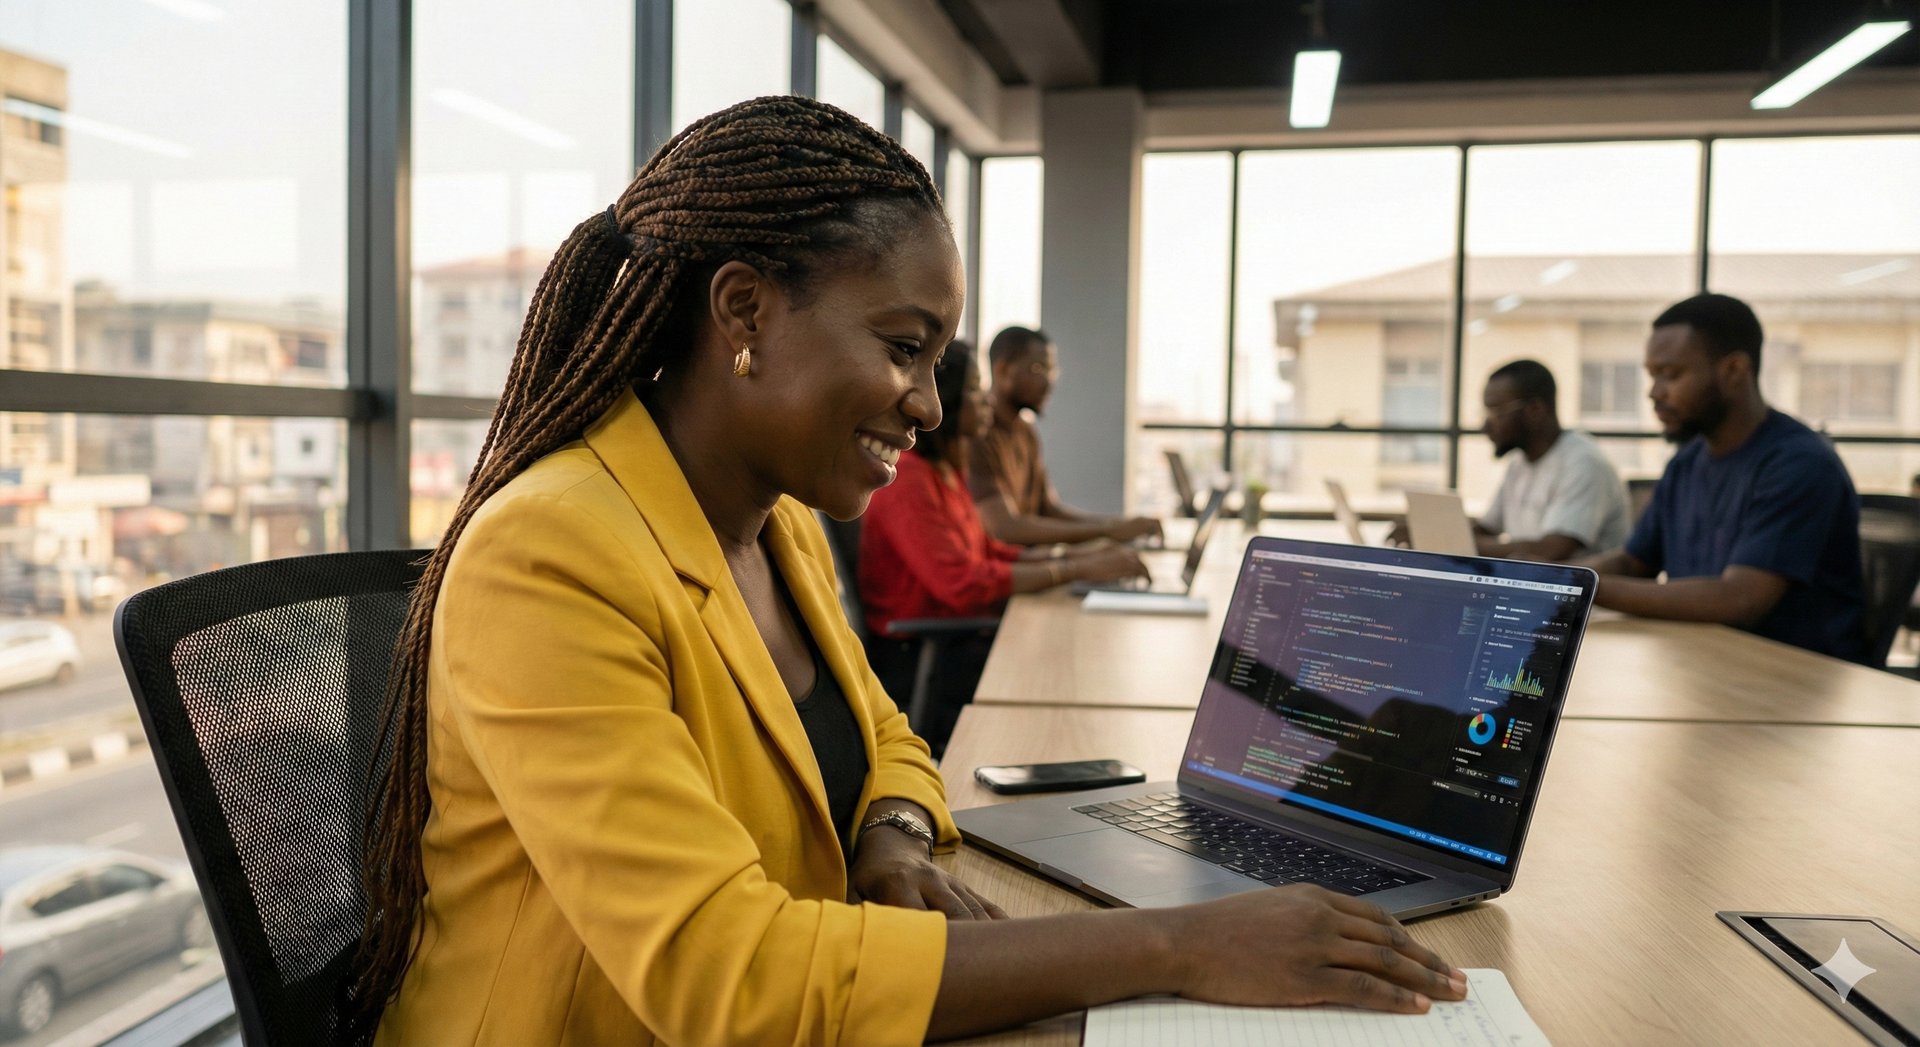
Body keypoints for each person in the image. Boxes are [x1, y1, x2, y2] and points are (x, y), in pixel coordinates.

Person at [354, 97, 1464, 1045]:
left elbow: (888, 732)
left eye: (937, 360)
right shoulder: (550, 550)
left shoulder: (768, 522)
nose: (931, 407)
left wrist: (888, 841)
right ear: (744, 311)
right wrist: (1177, 940)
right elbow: (722, 976)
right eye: (903, 347)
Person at [859, 341, 1147, 752]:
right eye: (977, 392)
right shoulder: (910, 481)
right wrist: (1072, 569)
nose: (988, 403)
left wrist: (1074, 559)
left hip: (956, 637)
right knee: (1061, 668)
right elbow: (961, 584)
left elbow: (986, 551)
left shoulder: (943, 472)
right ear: (947, 399)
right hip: (926, 655)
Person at [1581, 293, 1867, 662]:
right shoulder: (1687, 462)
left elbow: (1740, 599)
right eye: (1652, 376)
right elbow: (1633, 562)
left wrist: (1586, 589)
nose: (1654, 393)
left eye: (1671, 375)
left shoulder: (1799, 463)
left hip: (1794, 678)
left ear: (1733, 370)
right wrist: (1554, 579)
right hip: (1709, 659)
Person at [971, 326, 1164, 549]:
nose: (1049, 382)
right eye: (1038, 369)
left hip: (1031, 567)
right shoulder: (978, 434)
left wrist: (1118, 526)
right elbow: (1004, 528)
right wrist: (1107, 531)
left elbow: (1048, 509)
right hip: (1008, 575)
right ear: (1003, 371)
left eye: (1052, 371)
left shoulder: (1025, 432)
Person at [1472, 359, 1631, 562]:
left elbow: (1549, 552)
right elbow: (1487, 528)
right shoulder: (1519, 463)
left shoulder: (1583, 463)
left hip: (1585, 592)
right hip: (1534, 587)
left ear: (1535, 409)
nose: (1485, 426)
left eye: (1496, 412)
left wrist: (1464, 544)